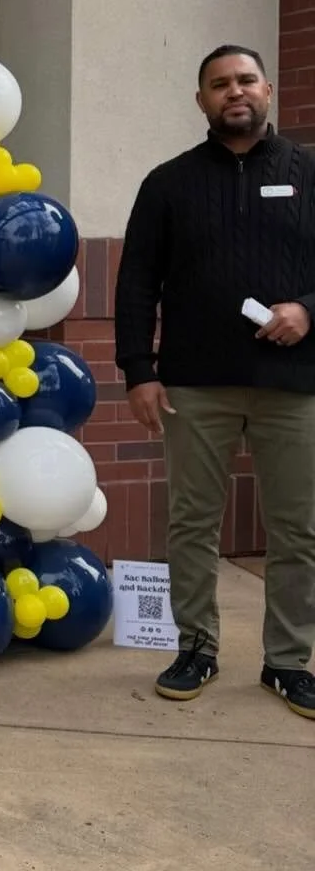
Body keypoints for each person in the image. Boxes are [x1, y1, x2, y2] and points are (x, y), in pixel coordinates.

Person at [115, 45, 315, 720]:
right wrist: (138, 371)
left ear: (267, 91)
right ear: (201, 100)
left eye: (246, 80)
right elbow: (137, 283)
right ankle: (196, 646)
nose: (235, 91)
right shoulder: (168, 183)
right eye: (219, 83)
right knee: (192, 522)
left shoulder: (308, 171)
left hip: (293, 384)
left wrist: (306, 310)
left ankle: (288, 660)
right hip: (195, 384)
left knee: (298, 528)